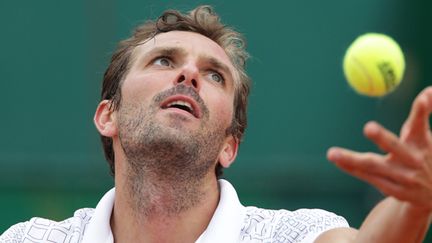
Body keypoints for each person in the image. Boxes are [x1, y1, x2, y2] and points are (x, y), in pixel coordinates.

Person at [1, 5, 431, 243]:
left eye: (214, 75)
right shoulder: (30, 240)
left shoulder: (288, 237)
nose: (187, 75)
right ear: (107, 115)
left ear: (230, 145)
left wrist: (418, 200)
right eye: (164, 60)